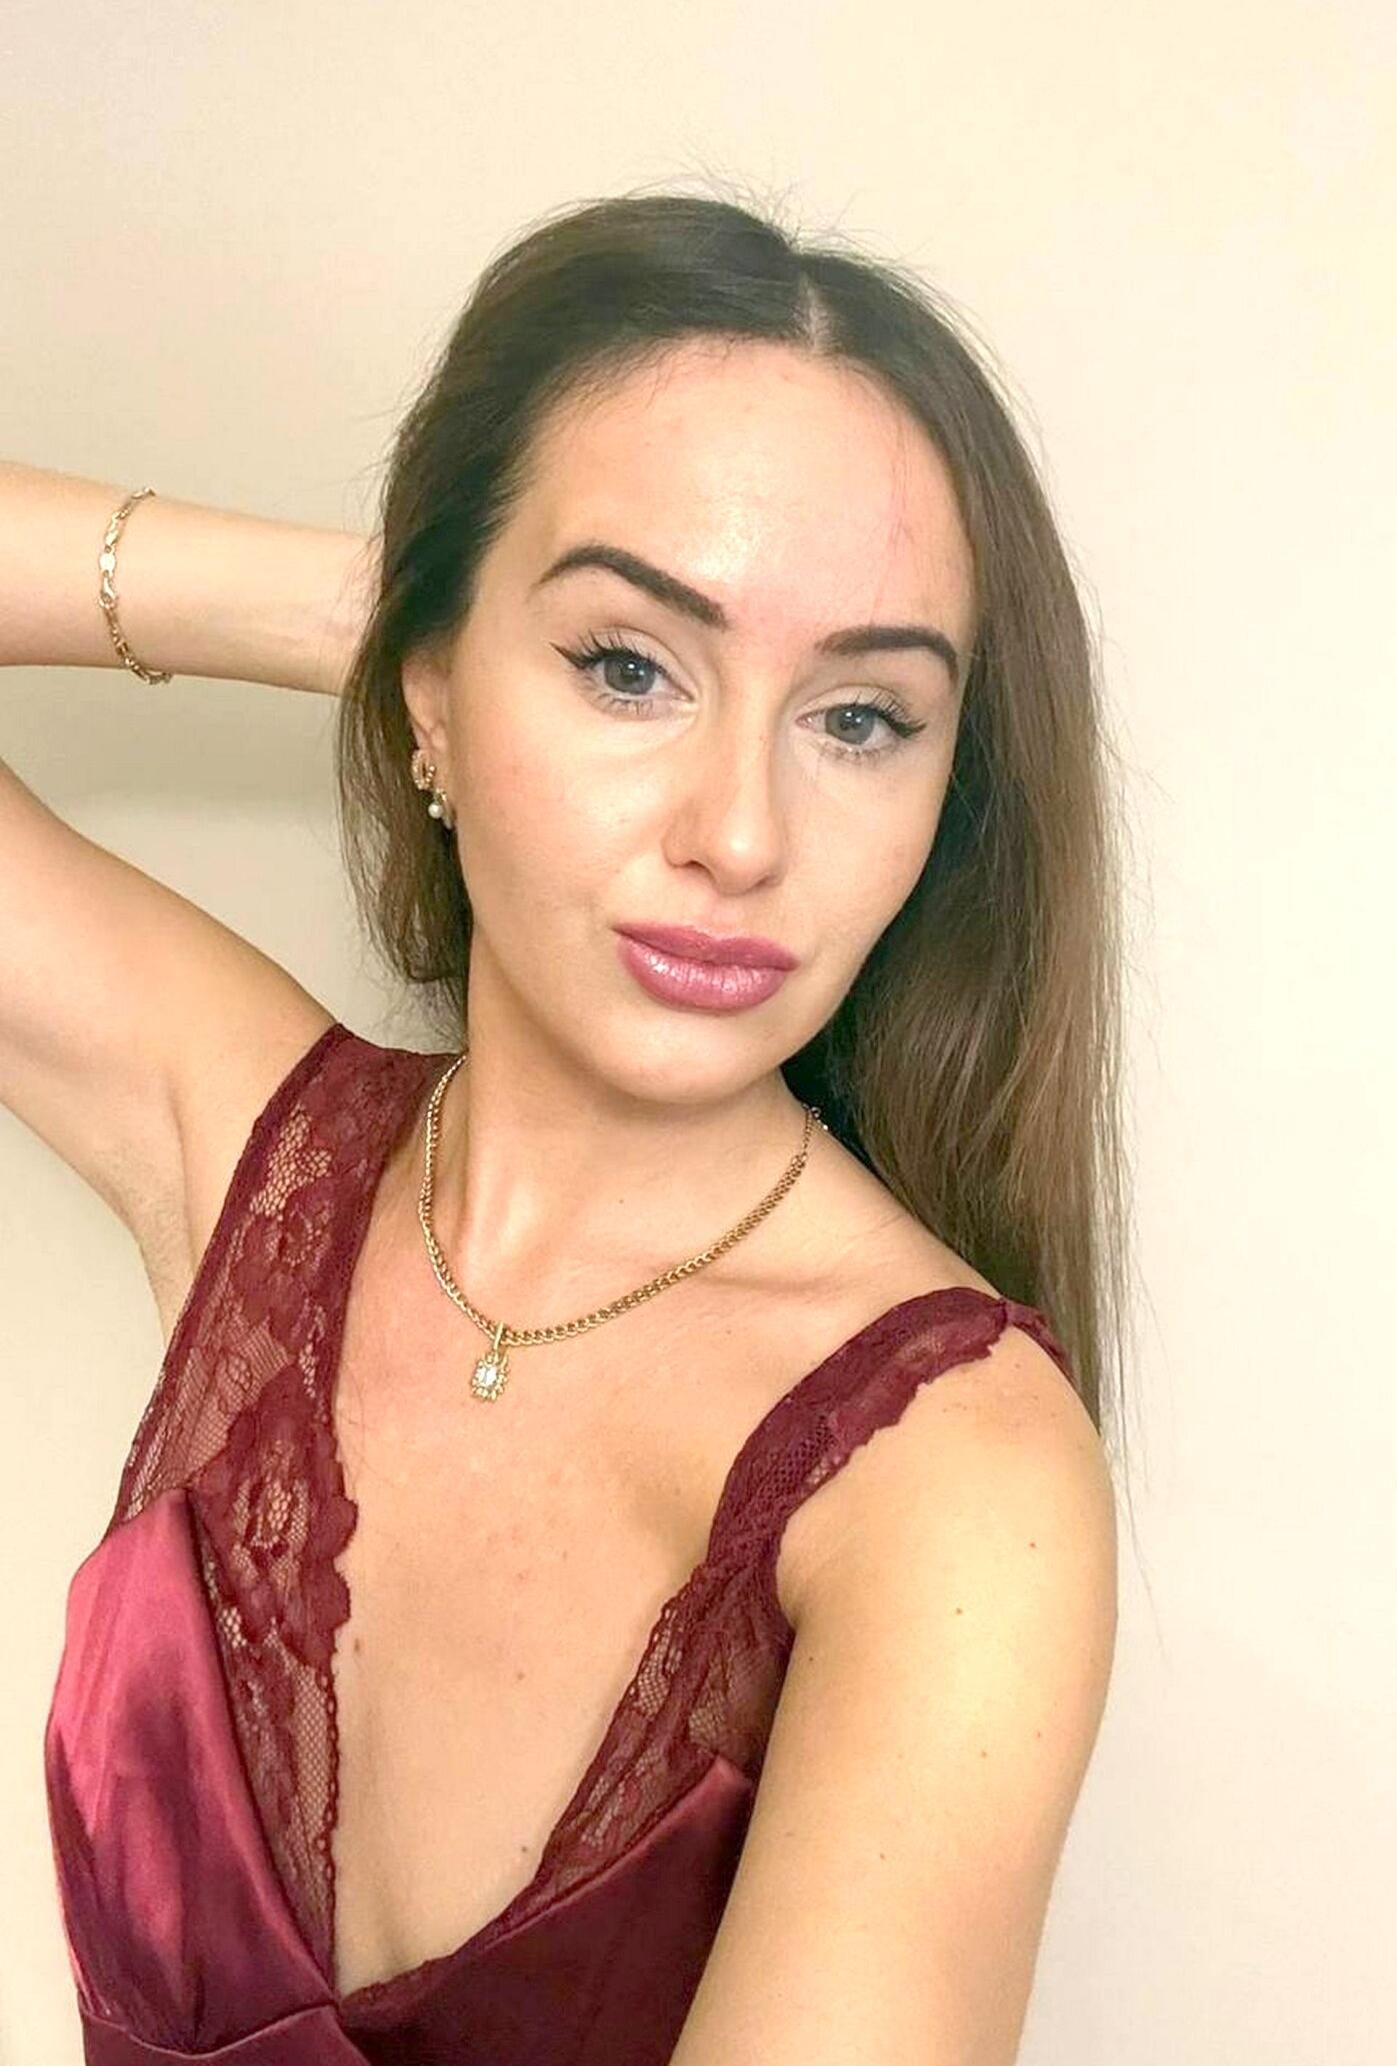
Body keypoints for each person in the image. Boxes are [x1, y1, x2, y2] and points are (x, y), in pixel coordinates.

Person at [3, 189, 1125, 2066]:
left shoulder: (948, 1480)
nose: (739, 834)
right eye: (625, 665)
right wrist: (378, 617)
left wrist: (504, 628)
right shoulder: (260, 1153)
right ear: (435, 695)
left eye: (860, 718)